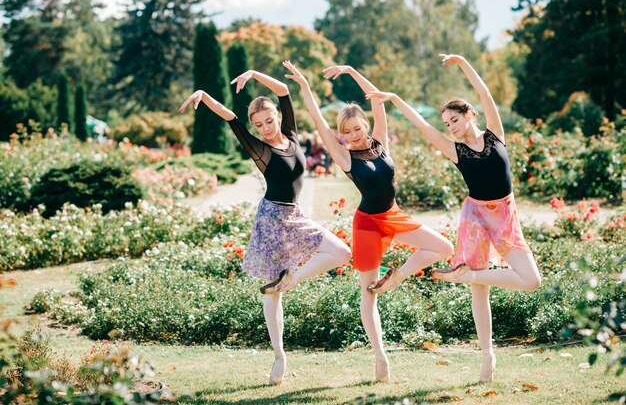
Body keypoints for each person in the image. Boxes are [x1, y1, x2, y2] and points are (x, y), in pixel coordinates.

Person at [365, 53, 542, 383]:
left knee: (531, 281)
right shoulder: (454, 150)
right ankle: (487, 357)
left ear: (469, 114)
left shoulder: (495, 134)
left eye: (454, 120)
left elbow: (486, 93)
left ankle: (466, 275)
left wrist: (462, 62)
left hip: (505, 215)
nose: (450, 126)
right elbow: (422, 126)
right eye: (447, 123)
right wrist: (396, 100)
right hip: (475, 217)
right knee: (481, 291)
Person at [283, 60, 453, 383]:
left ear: (364, 124)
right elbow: (318, 121)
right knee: (368, 294)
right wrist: (305, 87)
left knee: (442, 246)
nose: (354, 135)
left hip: (394, 215)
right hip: (367, 225)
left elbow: (376, 99)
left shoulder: (380, 141)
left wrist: (349, 71)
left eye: (357, 128)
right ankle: (380, 357)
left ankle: (397, 277)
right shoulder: (346, 157)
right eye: (347, 132)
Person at [179, 69, 350, 386]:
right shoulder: (260, 149)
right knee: (272, 296)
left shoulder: (292, 134)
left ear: (276, 117)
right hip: (272, 221)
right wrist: (203, 96)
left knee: (341, 252)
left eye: (268, 121)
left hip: (295, 215)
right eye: (259, 125)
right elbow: (231, 117)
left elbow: (284, 90)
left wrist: (255, 74)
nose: (265, 128)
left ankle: (291, 279)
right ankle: (279, 356)